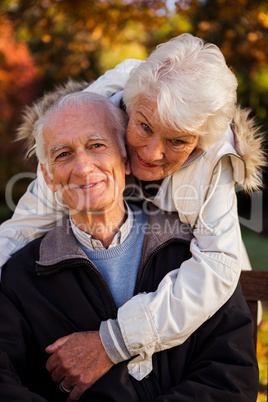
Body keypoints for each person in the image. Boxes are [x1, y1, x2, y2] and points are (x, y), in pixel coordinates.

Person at [0, 34, 265, 388]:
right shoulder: (81, 128)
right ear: (129, 105)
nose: (152, 154)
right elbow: (21, 231)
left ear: (200, 141)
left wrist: (113, 342)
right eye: (144, 127)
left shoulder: (213, 161)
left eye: (178, 141)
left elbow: (218, 266)